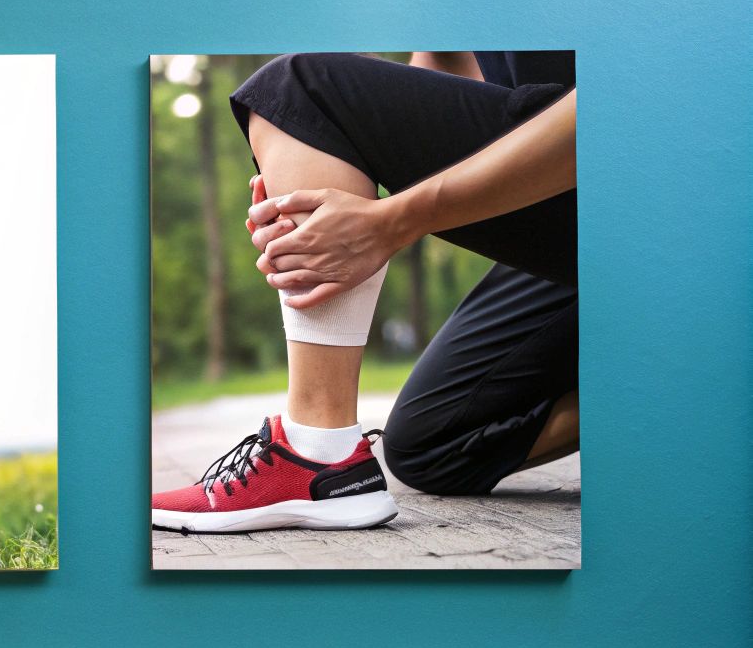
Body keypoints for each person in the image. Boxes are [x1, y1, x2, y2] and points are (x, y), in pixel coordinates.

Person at [152, 51, 577, 533]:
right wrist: (327, 209)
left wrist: (396, 219)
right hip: (573, 231)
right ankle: (666, 402)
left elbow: (627, 102)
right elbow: (442, 62)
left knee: (301, 93)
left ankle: (315, 451)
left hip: (646, 195)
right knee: (435, 444)